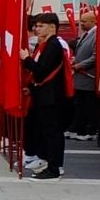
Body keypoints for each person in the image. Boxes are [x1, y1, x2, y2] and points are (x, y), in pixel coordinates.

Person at [20, 12, 69, 180]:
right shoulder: (45, 44)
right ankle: (48, 162)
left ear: (52, 27)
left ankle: (54, 168)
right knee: (46, 131)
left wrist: (26, 59)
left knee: (53, 133)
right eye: (36, 26)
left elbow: (41, 70)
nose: (37, 29)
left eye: (41, 26)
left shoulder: (53, 45)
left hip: (52, 96)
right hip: (43, 94)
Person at [70, 12, 99, 141]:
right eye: (80, 21)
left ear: (93, 21)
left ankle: (91, 130)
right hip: (80, 78)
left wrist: (80, 65)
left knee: (90, 106)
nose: (81, 24)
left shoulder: (97, 35)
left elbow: (96, 56)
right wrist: (74, 60)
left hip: (89, 76)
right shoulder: (85, 34)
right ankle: (78, 129)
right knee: (79, 105)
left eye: (84, 21)